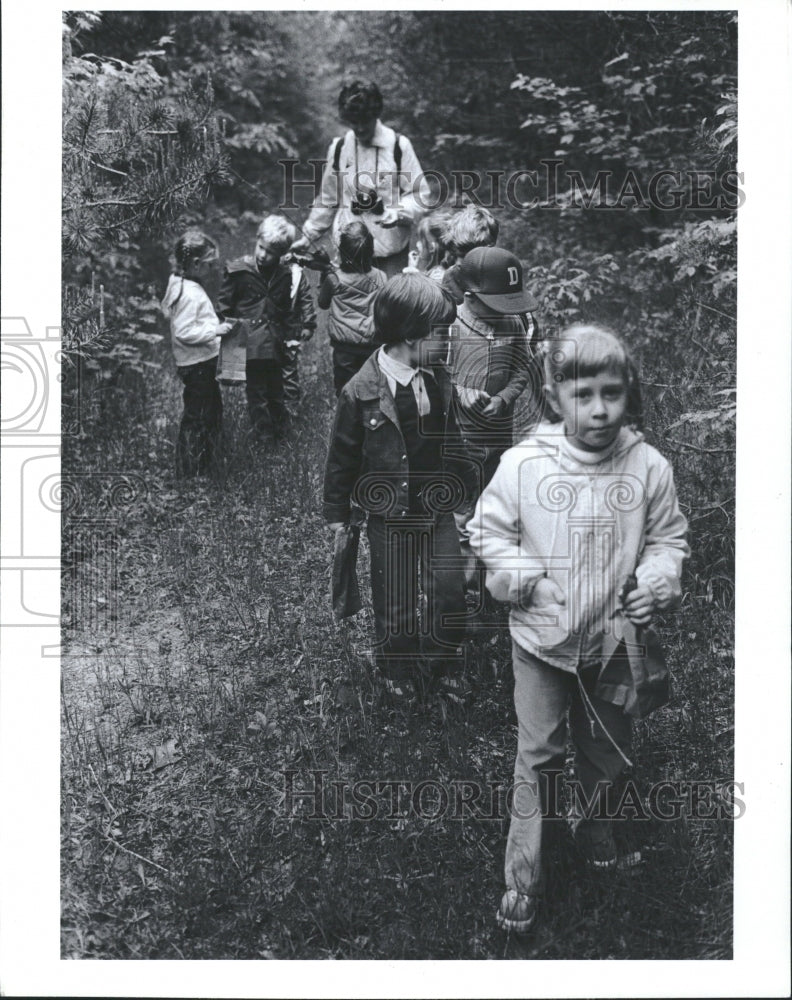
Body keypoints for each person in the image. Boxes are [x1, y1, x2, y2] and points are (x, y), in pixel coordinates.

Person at [468, 323, 690, 934]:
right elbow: (488, 532)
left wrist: (654, 581)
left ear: (628, 391)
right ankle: (523, 877)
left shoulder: (648, 468)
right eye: (582, 394)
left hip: (615, 643)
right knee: (538, 754)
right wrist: (525, 578)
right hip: (541, 642)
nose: (598, 408)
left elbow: (667, 540)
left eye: (611, 393)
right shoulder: (523, 464)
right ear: (553, 392)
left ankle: (593, 826)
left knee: (606, 749)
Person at [323, 274, 477, 707]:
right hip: (389, 515)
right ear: (411, 337)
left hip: (437, 508)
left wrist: (469, 490)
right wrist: (337, 509)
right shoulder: (361, 391)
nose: (448, 341)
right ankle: (397, 668)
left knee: (449, 589)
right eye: (441, 334)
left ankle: (442, 664)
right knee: (396, 600)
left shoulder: (438, 377)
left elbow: (453, 441)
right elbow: (342, 455)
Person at [448, 246, 535, 613]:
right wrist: (460, 392)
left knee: (496, 509)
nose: (507, 310)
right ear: (470, 297)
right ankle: (465, 590)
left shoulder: (513, 324)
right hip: (462, 441)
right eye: (498, 302)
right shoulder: (450, 326)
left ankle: (494, 583)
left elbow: (522, 369)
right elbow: (436, 375)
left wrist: (505, 398)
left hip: (499, 438)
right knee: (464, 512)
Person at [292, 81, 430, 278]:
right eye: (353, 123)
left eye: (365, 122)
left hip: (390, 253)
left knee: (391, 306)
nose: (360, 129)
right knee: (349, 306)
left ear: (376, 115)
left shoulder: (399, 146)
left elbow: (421, 195)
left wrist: (398, 213)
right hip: (349, 253)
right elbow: (328, 198)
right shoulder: (339, 148)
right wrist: (308, 236)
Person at [216, 214, 316, 444]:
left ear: (281, 254)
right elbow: (224, 306)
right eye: (261, 247)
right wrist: (230, 334)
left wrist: (292, 335)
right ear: (257, 240)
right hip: (249, 344)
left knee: (276, 390)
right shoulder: (238, 271)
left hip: (276, 342)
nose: (263, 255)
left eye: (270, 252)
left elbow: (286, 309)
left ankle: (282, 431)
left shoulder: (284, 274)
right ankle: (265, 437)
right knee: (256, 393)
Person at [161, 230, 234, 478]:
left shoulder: (180, 284)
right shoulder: (190, 293)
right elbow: (183, 332)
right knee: (198, 417)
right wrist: (215, 330)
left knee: (210, 411)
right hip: (197, 365)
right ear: (195, 264)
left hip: (198, 363)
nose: (213, 268)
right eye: (210, 263)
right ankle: (191, 470)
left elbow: (169, 312)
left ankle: (206, 462)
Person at [317, 220, 387, 396]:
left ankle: (347, 419)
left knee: (345, 390)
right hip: (372, 344)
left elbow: (322, 303)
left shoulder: (334, 279)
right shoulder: (381, 277)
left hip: (344, 347)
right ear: (371, 251)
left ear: (342, 252)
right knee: (371, 386)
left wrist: (324, 274)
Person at [404, 208, 459, 282]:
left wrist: (412, 271)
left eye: (424, 241)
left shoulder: (439, 275)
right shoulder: (441, 260)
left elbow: (420, 289)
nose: (417, 244)